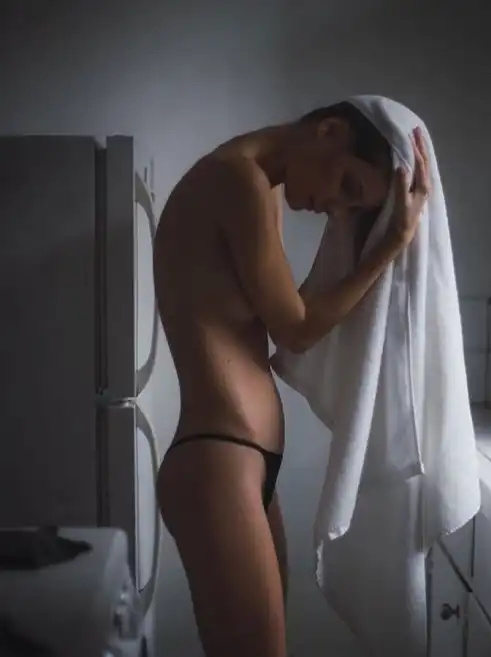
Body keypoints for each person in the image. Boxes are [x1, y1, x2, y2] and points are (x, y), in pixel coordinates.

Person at [154, 101, 430, 657]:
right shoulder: (236, 181)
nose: (334, 207)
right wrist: (388, 246)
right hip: (219, 461)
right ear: (329, 131)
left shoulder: (257, 188)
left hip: (241, 462)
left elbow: (292, 314)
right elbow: (298, 329)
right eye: (347, 186)